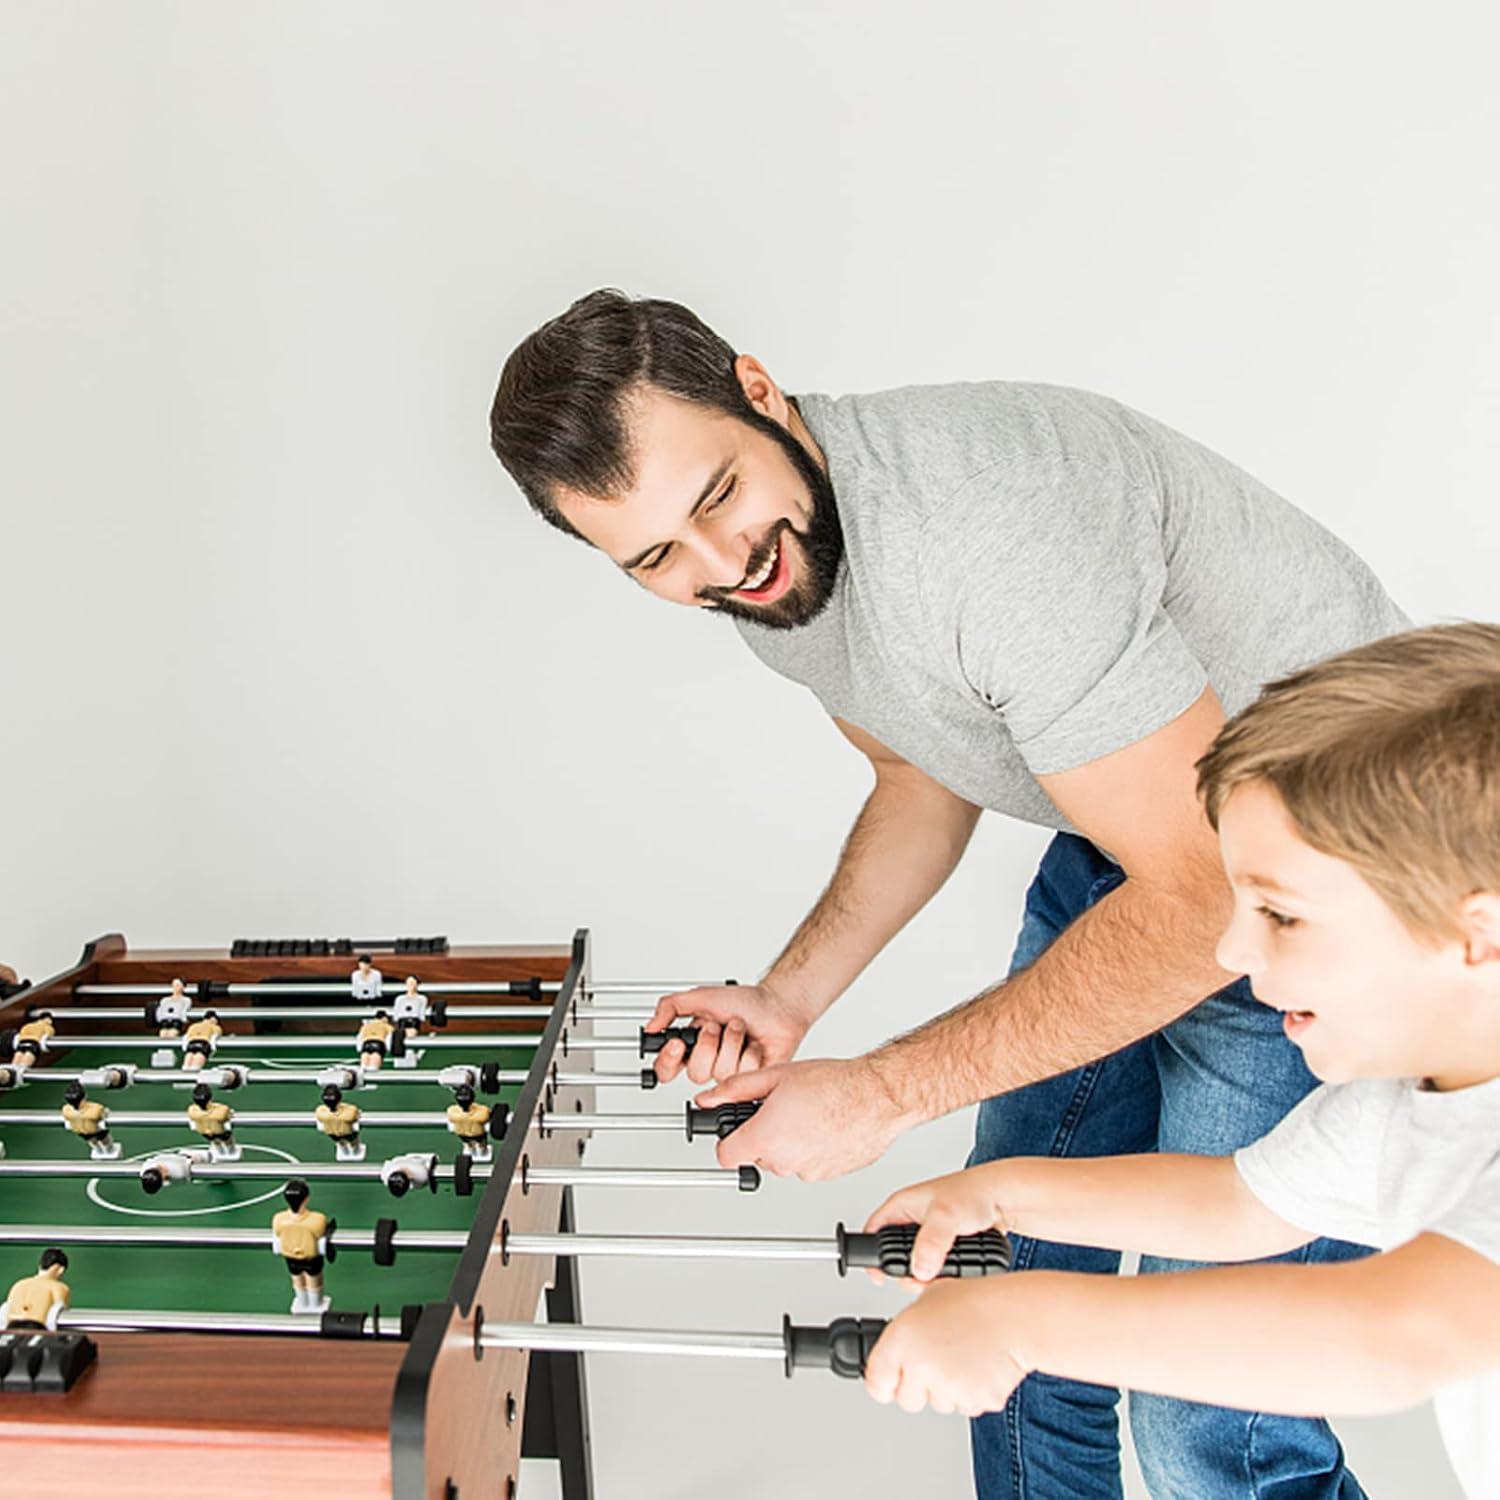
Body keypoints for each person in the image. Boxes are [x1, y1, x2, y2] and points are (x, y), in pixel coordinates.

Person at [490, 290, 1408, 1495]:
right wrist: (789, 999)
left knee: (1211, 1418)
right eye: (657, 556)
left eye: (717, 497)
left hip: (1329, 892)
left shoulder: (986, 534)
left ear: (759, 391)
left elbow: (1204, 906)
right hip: (1136, 849)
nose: (722, 563)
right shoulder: (781, 569)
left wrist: (879, 1093)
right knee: (1002, 1291)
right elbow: (920, 767)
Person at [861, 624, 1500, 1499]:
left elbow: (1393, 1336)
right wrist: (999, 1193)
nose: (1233, 951)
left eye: (1280, 915)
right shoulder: (1408, 1099)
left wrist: (1021, 1319)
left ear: (1480, 933)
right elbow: (1239, 1203)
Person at [271, 1179, 329, 1315]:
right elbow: (320, 1232)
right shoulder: (318, 1219)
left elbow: (278, 1233)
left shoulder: (278, 1219)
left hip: (290, 1257)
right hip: (311, 1257)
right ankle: (315, 1304)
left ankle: (303, 1302)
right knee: (314, 1281)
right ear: (306, 1198)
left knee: (297, 1280)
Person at [1, 1248, 71, 1330]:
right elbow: (57, 1311)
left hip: (12, 1327)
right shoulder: (59, 1287)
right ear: (60, 1269)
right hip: (37, 1327)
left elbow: (6, 1309)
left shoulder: (19, 1284)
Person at [61, 1082, 120, 1159]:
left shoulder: (66, 1110)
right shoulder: (96, 1109)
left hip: (81, 1131)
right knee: (105, 1141)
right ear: (83, 1098)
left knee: (92, 1141)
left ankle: (99, 1151)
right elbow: (104, 1114)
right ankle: (109, 1150)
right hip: (96, 1130)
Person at [187, 1082, 237, 1160]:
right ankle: (231, 1152)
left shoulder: (191, 1111)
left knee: (215, 1141)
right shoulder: (222, 1110)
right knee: (228, 1141)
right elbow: (227, 1115)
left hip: (204, 1132)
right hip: (220, 1131)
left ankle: (221, 1152)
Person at [315, 1083, 364, 1160]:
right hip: (347, 1131)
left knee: (339, 1141)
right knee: (353, 1141)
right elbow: (356, 1115)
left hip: (331, 1132)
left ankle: (345, 1150)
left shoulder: (320, 1111)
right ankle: (355, 1151)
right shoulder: (351, 1111)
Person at [445, 1084, 492, 1158]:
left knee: (468, 1143)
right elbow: (486, 1116)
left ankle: (472, 1151)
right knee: (481, 1143)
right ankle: (482, 1151)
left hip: (462, 1133)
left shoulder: (452, 1111)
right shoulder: (482, 1111)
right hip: (478, 1133)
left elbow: (451, 1118)